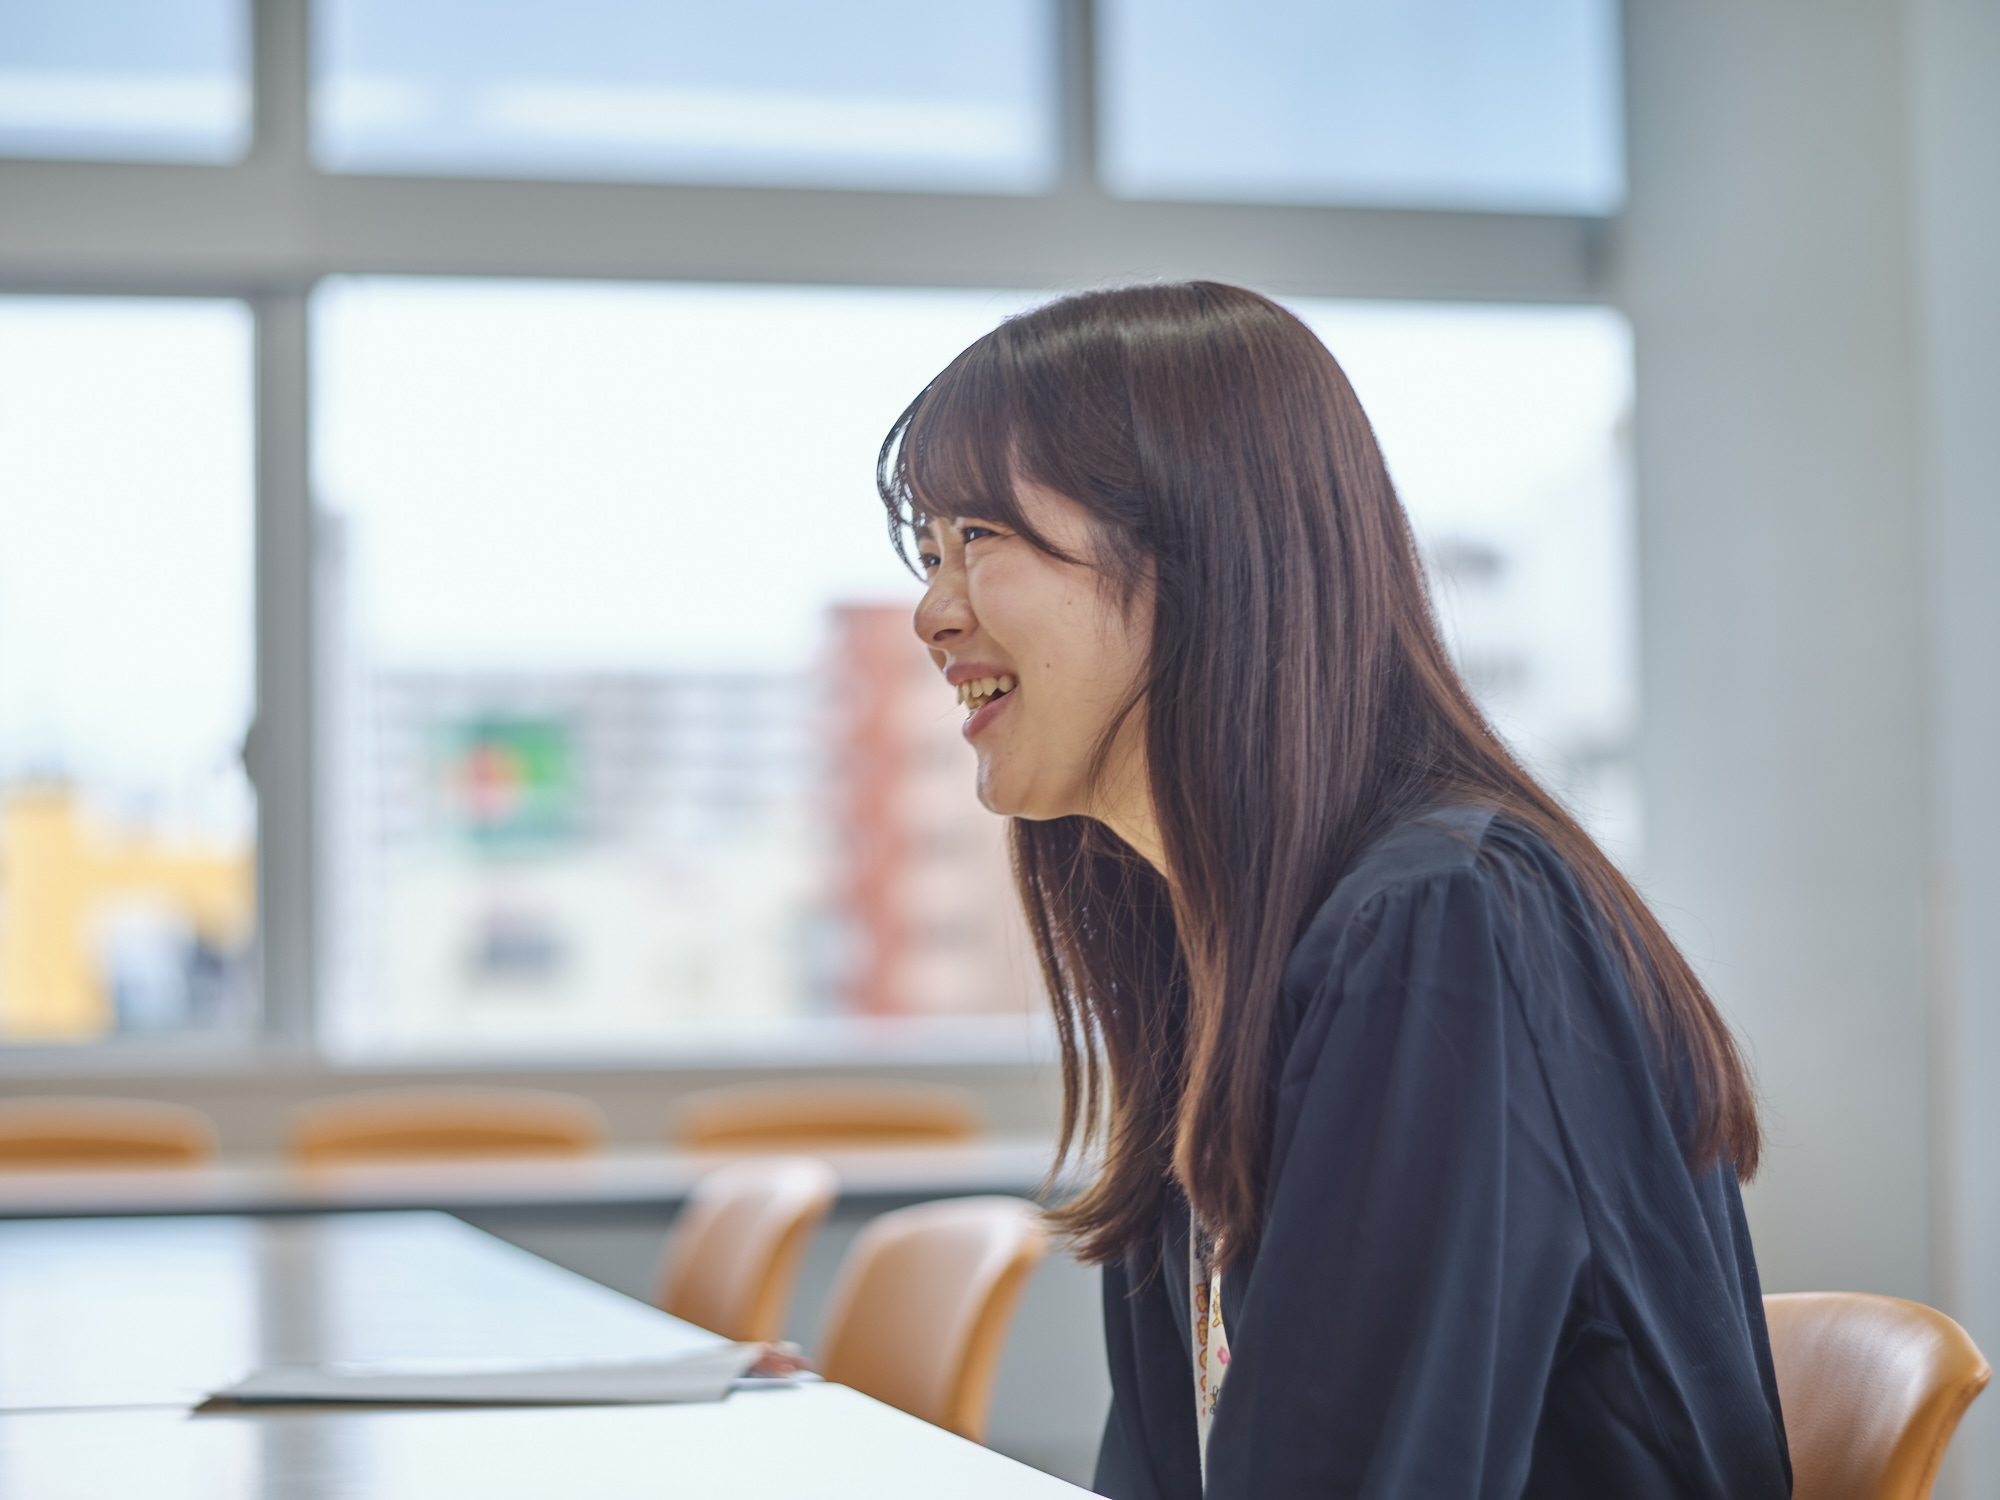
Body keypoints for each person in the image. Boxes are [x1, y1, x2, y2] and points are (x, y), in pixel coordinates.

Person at [877, 282, 1791, 1499]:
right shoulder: (1210, 948)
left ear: (1195, 544)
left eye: (978, 539)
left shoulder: (1444, 923)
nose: (933, 613)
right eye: (928, 551)